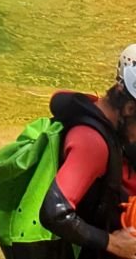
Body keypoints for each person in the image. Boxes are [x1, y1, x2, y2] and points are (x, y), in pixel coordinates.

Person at [36, 47, 136, 254]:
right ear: (129, 109)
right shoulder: (91, 144)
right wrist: (113, 244)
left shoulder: (104, 116)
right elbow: (54, 211)